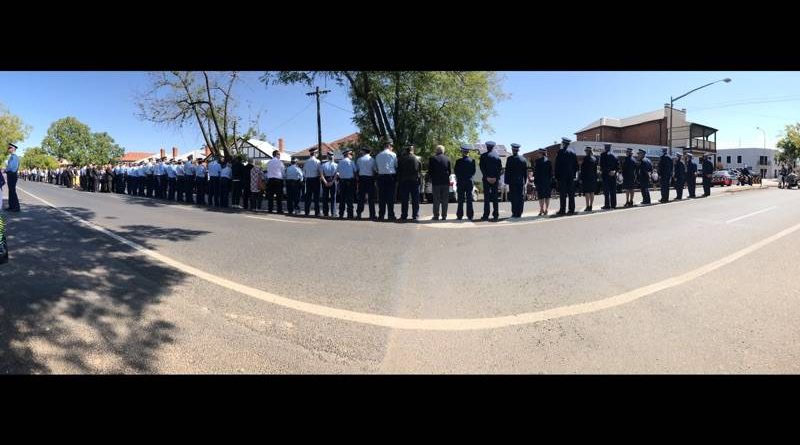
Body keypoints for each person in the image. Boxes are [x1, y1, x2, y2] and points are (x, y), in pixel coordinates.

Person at [554, 137, 578, 216]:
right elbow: (576, 166)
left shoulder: (560, 152)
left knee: (563, 194)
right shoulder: (573, 152)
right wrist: (574, 175)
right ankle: (571, 209)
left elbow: (557, 165)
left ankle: (562, 210)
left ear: (563, 143)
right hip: (570, 177)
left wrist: (556, 176)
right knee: (571, 194)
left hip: (562, 177)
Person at [397, 145, 421, 221]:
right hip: (414, 180)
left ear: (406, 151)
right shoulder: (417, 159)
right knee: (415, 199)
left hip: (404, 180)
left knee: (404, 199)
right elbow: (419, 170)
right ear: (412, 150)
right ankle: (415, 215)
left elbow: (399, 170)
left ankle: (404, 215)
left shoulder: (401, 159)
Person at [375, 141, 398, 221]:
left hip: (381, 176)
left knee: (381, 197)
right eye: (391, 146)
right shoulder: (393, 154)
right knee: (390, 197)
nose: (392, 148)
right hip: (390, 176)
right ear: (389, 146)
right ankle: (390, 215)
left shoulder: (378, 155)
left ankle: (381, 215)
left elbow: (376, 168)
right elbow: (396, 165)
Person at [479, 140, 502, 221]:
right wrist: (496, 177)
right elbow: (499, 168)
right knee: (495, 198)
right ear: (493, 147)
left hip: (486, 179)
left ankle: (486, 215)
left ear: (486, 147)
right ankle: (496, 215)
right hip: (495, 180)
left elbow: (482, 168)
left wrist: (487, 177)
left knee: (487, 198)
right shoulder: (497, 156)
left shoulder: (483, 156)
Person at [428, 144, 452, 220]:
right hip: (445, 182)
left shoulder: (432, 158)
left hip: (436, 182)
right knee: (445, 200)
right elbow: (450, 171)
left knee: (436, 200)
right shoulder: (447, 159)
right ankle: (444, 216)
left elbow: (430, 171)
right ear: (443, 151)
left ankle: (436, 215)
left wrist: (432, 178)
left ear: (436, 150)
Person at [504, 143, 528, 218]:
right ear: (518, 150)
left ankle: (514, 212)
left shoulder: (509, 159)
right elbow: (525, 172)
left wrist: (506, 181)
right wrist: (525, 181)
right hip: (520, 181)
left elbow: (507, 171)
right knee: (520, 197)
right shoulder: (523, 159)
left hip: (512, 181)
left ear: (512, 150)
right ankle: (519, 212)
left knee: (513, 197)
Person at [454, 144, 476, 220]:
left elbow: (456, 172)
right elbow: (473, 172)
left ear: (462, 152)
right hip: (469, 181)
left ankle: (459, 215)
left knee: (460, 199)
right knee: (469, 199)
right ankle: (470, 215)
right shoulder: (472, 161)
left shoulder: (458, 161)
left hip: (460, 182)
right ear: (468, 152)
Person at [356, 146, 377, 220]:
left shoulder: (359, 159)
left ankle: (359, 214)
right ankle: (372, 215)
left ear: (364, 151)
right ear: (370, 152)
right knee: (371, 198)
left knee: (361, 197)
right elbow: (375, 170)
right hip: (370, 179)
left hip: (362, 179)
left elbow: (357, 170)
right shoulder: (372, 159)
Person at [303, 148, 322, 217]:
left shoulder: (306, 161)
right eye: (316, 153)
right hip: (315, 180)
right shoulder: (317, 161)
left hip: (308, 180)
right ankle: (317, 212)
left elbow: (304, 172)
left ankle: (306, 212)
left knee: (308, 197)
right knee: (316, 197)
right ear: (315, 153)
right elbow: (320, 172)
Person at [533, 148, 552, 216]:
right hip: (547, 181)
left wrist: (535, 181)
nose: (538, 154)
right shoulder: (549, 161)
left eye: (538, 153)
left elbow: (535, 172)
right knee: (547, 196)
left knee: (541, 196)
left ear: (541, 153)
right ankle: (546, 209)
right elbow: (551, 173)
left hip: (540, 181)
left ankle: (541, 209)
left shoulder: (537, 161)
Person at [579, 146, 598, 212]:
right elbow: (596, 170)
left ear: (588, 151)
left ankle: (587, 206)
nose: (585, 152)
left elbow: (582, 169)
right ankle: (591, 205)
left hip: (586, 178)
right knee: (592, 192)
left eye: (586, 151)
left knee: (587, 192)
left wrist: (581, 178)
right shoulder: (595, 159)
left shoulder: (585, 159)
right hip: (593, 177)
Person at [319, 152, 338, 217]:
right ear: (333, 157)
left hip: (325, 180)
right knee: (333, 197)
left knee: (325, 197)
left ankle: (325, 212)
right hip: (333, 180)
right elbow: (336, 174)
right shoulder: (336, 165)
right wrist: (332, 182)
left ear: (327, 157)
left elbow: (321, 175)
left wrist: (325, 182)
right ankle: (333, 213)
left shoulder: (323, 165)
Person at [599, 143, 617, 209]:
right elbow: (617, 166)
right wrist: (614, 171)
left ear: (605, 148)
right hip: (613, 175)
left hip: (606, 175)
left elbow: (601, 166)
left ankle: (607, 205)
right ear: (610, 148)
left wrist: (608, 171)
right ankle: (613, 205)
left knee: (606, 191)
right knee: (613, 191)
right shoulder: (615, 155)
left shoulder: (602, 155)